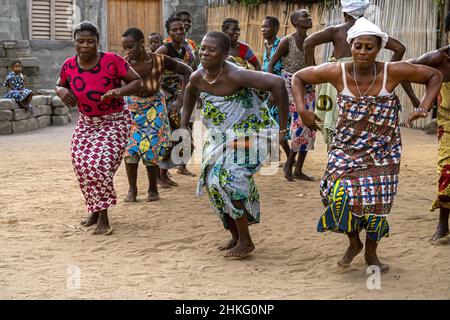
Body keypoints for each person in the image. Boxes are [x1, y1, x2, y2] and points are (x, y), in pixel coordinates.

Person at [292, 18, 442, 272]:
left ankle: (371, 253)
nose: (362, 52)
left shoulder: (391, 71)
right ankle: (354, 242)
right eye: (358, 46)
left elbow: (434, 75)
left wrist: (423, 107)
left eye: (369, 47)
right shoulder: (336, 71)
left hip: (384, 150)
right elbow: (298, 77)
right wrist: (303, 110)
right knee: (334, 195)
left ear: (378, 49)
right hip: (345, 148)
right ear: (350, 46)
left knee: (376, 205)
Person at [181, 31, 289, 257]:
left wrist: (282, 129)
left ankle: (246, 241)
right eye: (203, 48)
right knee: (212, 182)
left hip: (254, 136)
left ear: (224, 54)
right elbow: (189, 94)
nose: (204, 52)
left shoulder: (237, 75)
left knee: (229, 178)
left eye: (212, 49)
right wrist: (184, 126)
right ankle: (235, 235)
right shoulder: (198, 77)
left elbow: (278, 84)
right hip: (221, 139)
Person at [55, 21, 143, 235]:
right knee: (81, 166)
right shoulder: (69, 65)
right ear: (74, 42)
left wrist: (117, 92)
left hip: (115, 121)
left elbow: (137, 82)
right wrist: (60, 91)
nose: (85, 45)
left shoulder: (112, 61)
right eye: (81, 41)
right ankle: (95, 209)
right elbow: (60, 83)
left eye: (90, 41)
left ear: (97, 42)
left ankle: (103, 216)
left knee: (99, 165)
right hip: (87, 122)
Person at [304, 0, 407, 147]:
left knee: (338, 121)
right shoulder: (370, 34)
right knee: (364, 120)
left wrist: (313, 71)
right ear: (364, 13)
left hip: (341, 79)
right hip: (368, 80)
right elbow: (400, 48)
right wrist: (386, 72)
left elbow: (308, 42)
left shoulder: (336, 31)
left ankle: (337, 156)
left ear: (345, 13)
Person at [121, 28, 192, 202]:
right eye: (125, 48)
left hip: (154, 107)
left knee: (151, 148)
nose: (127, 51)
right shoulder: (123, 63)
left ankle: (153, 189)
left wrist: (181, 99)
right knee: (131, 148)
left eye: (130, 47)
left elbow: (187, 71)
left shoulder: (159, 60)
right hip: (132, 107)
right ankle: (133, 189)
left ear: (141, 43)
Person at [401, 12, 450, 242]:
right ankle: (443, 224)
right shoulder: (438, 59)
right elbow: (400, 71)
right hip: (448, 126)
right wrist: (417, 103)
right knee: (447, 172)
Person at [268, 9, 316, 182]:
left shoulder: (311, 41)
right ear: (295, 22)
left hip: (307, 84)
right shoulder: (286, 41)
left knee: (310, 124)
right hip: (289, 84)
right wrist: (273, 90)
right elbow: (271, 64)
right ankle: (289, 163)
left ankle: (298, 169)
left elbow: (312, 65)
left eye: (309, 16)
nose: (309, 18)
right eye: (304, 16)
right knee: (300, 123)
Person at [157, 15, 196, 181]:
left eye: (181, 28)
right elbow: (151, 68)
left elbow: (189, 73)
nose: (179, 31)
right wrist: (161, 92)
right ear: (168, 32)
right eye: (175, 29)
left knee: (180, 132)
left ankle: (167, 173)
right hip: (168, 98)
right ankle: (160, 175)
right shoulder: (164, 49)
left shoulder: (186, 49)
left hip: (182, 94)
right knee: (171, 134)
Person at [261, 16, 291, 161]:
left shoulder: (281, 44)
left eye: (266, 26)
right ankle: (280, 154)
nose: (263, 29)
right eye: (262, 26)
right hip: (269, 89)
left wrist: (273, 92)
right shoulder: (267, 44)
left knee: (277, 123)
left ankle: (286, 155)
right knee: (272, 122)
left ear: (275, 28)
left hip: (279, 89)